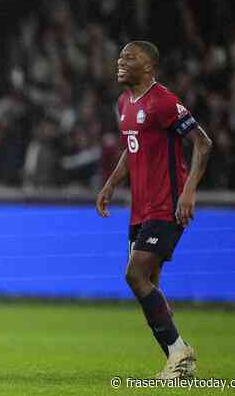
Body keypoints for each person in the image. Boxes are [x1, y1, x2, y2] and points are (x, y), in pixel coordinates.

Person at [96, 41, 212, 379]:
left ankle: (179, 353)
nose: (120, 62)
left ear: (149, 67)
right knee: (148, 285)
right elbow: (132, 148)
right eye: (119, 56)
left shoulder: (162, 101)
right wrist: (111, 183)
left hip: (167, 205)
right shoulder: (124, 103)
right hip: (140, 209)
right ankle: (179, 359)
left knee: (135, 275)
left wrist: (189, 190)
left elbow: (203, 142)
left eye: (130, 57)